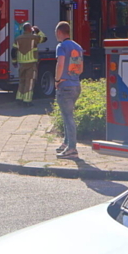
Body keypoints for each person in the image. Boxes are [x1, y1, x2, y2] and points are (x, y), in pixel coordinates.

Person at [54, 21, 84, 158]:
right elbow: (80, 68)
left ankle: (72, 149)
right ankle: (66, 144)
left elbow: (60, 64)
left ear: (59, 32)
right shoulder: (78, 47)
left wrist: (57, 79)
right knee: (67, 116)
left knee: (68, 117)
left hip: (65, 86)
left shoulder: (61, 46)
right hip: (76, 85)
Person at [14, 23, 46, 104]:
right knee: (30, 82)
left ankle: (19, 98)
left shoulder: (18, 38)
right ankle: (27, 101)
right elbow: (44, 38)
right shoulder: (34, 37)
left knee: (22, 81)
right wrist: (37, 30)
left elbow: (13, 51)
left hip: (21, 63)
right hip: (31, 63)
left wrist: (14, 61)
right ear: (29, 29)